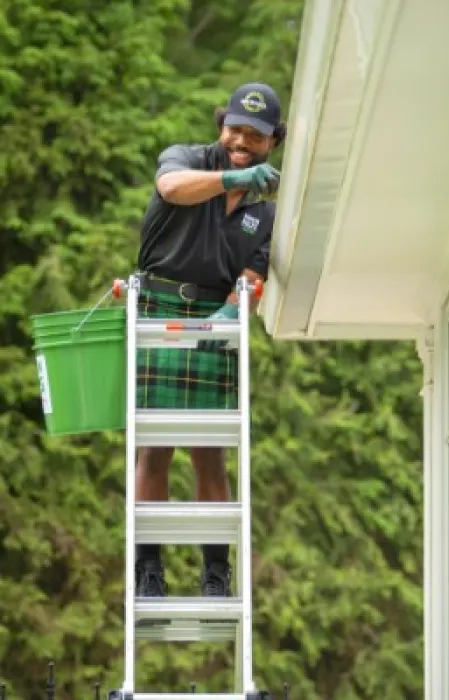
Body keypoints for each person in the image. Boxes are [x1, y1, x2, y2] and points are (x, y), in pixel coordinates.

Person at [133, 82, 285, 598]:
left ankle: (215, 574)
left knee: (211, 453)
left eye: (255, 137)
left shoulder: (266, 211)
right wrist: (232, 177)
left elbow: (253, 272)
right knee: (154, 451)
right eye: (235, 129)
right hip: (160, 310)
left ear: (272, 142)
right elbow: (171, 188)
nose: (242, 141)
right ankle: (149, 570)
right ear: (221, 127)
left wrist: (237, 303)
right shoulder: (188, 159)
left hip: (216, 321)